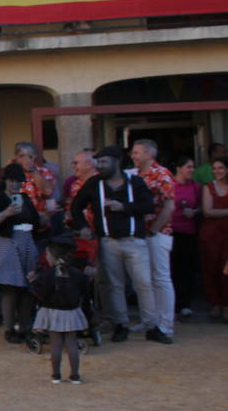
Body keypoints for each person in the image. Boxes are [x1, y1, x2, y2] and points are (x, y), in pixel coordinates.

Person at [70, 147, 156, 343]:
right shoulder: (94, 183)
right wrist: (82, 226)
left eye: (104, 162)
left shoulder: (135, 182)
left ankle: (152, 325)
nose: (100, 166)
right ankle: (120, 324)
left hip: (134, 240)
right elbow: (76, 206)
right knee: (114, 285)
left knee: (144, 283)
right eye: (98, 163)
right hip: (108, 242)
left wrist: (124, 207)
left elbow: (149, 205)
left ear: (117, 161)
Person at [0, 164, 42, 343]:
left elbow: (36, 222)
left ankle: (25, 328)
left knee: (28, 287)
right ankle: (10, 328)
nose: (15, 184)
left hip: (26, 242)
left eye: (18, 181)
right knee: (11, 288)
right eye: (12, 181)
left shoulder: (25, 199)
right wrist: (7, 213)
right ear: (5, 181)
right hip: (6, 244)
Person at [129, 138, 176, 344]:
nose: (133, 156)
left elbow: (169, 206)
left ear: (149, 154)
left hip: (157, 234)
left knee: (161, 279)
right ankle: (150, 320)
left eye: (137, 152)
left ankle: (165, 324)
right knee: (144, 280)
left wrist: (154, 230)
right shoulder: (136, 175)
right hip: (141, 234)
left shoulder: (162, 174)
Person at [31, 230, 90, 385]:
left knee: (56, 344)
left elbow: (42, 293)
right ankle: (75, 375)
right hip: (71, 312)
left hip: (52, 312)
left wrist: (33, 282)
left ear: (52, 256)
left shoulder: (47, 275)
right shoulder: (77, 274)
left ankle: (56, 375)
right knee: (71, 343)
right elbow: (85, 289)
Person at [168, 156, 199, 320]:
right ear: (179, 168)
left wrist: (195, 212)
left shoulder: (195, 186)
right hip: (171, 231)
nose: (192, 170)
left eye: (192, 167)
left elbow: (201, 205)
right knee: (171, 268)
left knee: (187, 269)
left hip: (189, 232)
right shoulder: (170, 184)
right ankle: (171, 304)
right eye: (188, 167)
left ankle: (184, 303)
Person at [200, 156, 228, 321]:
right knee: (210, 268)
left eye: (221, 168)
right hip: (211, 234)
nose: (217, 171)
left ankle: (226, 304)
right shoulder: (208, 187)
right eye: (215, 168)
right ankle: (215, 303)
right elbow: (208, 211)